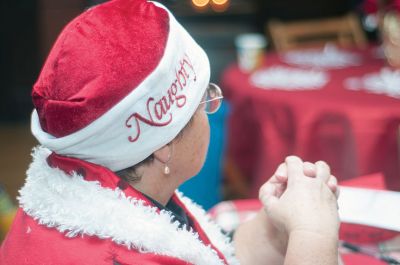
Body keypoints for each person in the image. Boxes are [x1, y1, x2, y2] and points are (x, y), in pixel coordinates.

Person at [0, 0, 340, 264]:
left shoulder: (112, 190)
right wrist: (313, 235)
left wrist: (276, 229)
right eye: (204, 99)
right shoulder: (120, 257)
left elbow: (202, 252)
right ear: (163, 143)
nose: (213, 106)